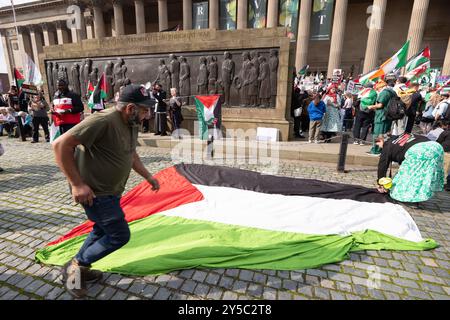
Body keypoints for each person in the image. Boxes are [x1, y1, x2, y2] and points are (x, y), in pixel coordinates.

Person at [52, 84, 159, 299]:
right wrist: (77, 184)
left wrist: (148, 176)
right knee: (119, 235)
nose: (148, 114)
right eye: (145, 110)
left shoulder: (131, 123)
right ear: (130, 108)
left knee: (102, 230)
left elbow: (131, 154)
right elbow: (60, 145)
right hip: (95, 192)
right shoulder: (103, 120)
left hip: (111, 191)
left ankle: (78, 268)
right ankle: (75, 268)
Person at [376, 133, 444, 202]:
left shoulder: (387, 145)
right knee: (425, 174)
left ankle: (406, 197)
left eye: (377, 143)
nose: (378, 146)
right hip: (436, 147)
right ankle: (423, 192)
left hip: (419, 151)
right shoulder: (401, 135)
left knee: (405, 178)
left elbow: (382, 165)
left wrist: (380, 182)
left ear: (381, 140)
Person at [367, 78, 396, 155]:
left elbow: (380, 105)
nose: (377, 91)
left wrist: (371, 106)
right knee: (385, 134)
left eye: (377, 89)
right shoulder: (392, 92)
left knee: (378, 133)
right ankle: (383, 149)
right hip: (388, 116)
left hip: (382, 116)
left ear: (380, 87)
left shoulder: (384, 93)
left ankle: (376, 150)